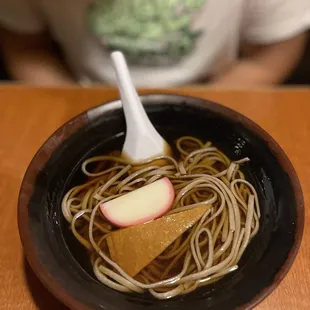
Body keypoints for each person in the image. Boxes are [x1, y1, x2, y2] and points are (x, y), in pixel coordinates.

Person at [0, 0, 309, 87]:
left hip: (216, 89)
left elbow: (270, 54)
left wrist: (214, 102)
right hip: (84, 92)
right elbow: (26, 46)